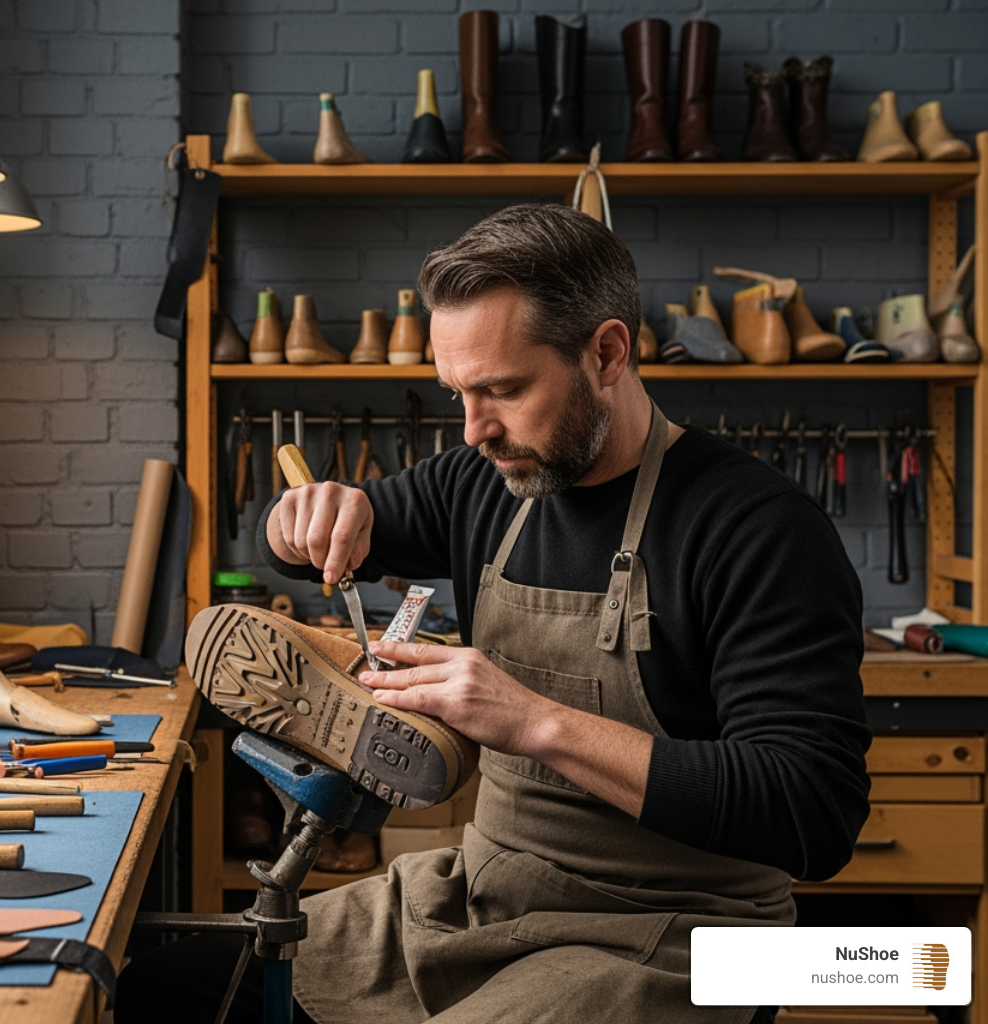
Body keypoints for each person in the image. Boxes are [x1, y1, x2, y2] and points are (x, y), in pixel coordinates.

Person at [116, 203, 870, 1024]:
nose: (474, 429)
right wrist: (302, 522)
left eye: (503, 390)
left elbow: (812, 813)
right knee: (166, 991)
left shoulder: (756, 528)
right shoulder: (488, 480)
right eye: (457, 393)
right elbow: (292, 543)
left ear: (607, 353)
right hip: (483, 898)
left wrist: (529, 720)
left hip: (680, 937)